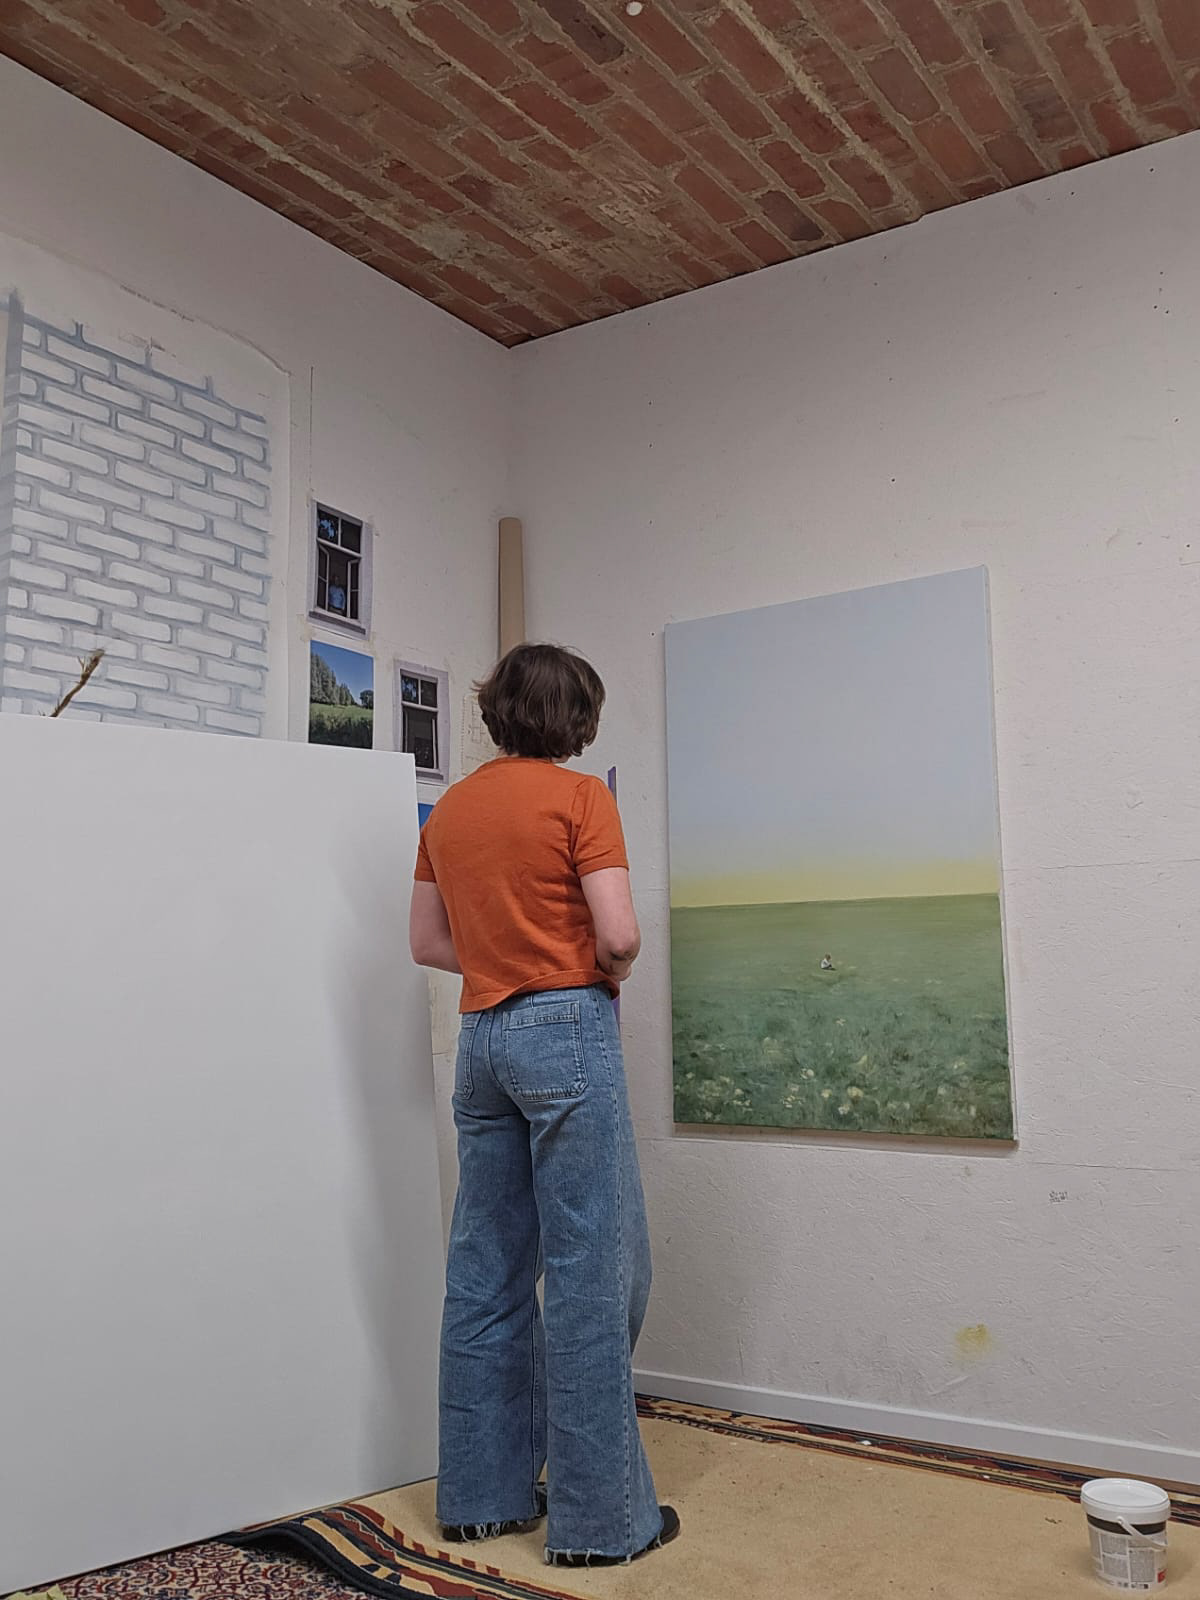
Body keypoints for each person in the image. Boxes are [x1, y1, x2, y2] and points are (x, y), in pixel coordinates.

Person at [409, 642, 679, 1568]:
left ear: (496, 711)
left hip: (481, 1039)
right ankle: (603, 1524)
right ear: (578, 719)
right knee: (594, 1270)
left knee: (485, 1270)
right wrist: (601, 968)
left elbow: (426, 942)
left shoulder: (451, 807)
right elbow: (620, 933)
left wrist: (499, 961)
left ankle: (480, 1498)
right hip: (563, 1026)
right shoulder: (580, 798)